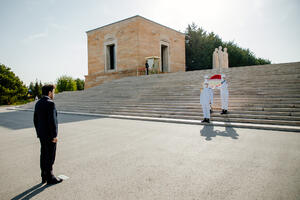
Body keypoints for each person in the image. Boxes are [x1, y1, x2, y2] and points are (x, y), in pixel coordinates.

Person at [34, 84, 63, 185]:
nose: (54, 94)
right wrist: (54, 135)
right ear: (49, 92)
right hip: (50, 135)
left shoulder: (38, 103)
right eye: (53, 92)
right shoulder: (50, 103)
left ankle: (44, 176)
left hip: (42, 135)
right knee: (50, 156)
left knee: (43, 155)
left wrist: (39, 132)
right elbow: (52, 121)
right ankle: (50, 177)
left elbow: (35, 120)